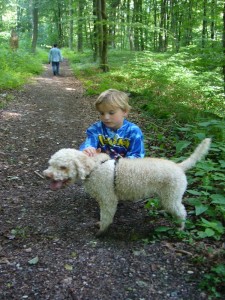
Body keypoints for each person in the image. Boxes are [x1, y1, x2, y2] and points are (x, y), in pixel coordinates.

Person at [79, 89, 145, 159]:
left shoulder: (133, 131)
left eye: (111, 113)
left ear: (125, 111)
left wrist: (119, 164)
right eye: (102, 113)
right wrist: (89, 149)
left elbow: (137, 155)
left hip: (123, 168)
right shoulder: (96, 129)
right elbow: (89, 143)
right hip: (101, 167)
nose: (106, 117)